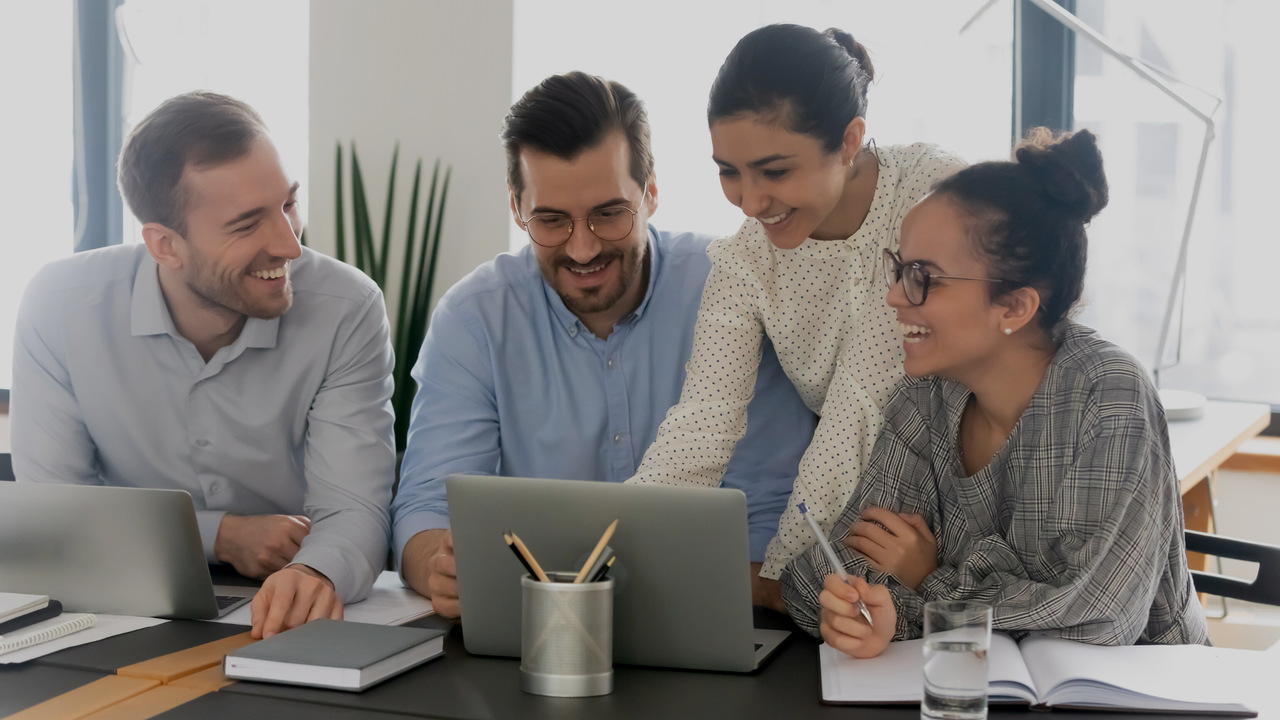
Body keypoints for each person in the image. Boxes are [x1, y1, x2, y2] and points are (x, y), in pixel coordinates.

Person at [391, 71, 817, 619]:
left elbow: (772, 511)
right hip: (537, 627)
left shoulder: (733, 288)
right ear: (517, 208)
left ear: (652, 193)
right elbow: (427, 506)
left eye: (608, 213)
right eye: (551, 220)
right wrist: (437, 566)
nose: (583, 247)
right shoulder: (473, 319)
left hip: (718, 614)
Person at [780, 128, 1211, 658]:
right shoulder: (925, 399)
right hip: (971, 690)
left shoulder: (1110, 396)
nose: (894, 296)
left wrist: (931, 581)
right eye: (898, 269)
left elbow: (1096, 621)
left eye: (923, 277)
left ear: (1014, 308)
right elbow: (813, 581)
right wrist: (865, 613)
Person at [11, 91, 396, 639]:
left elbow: (355, 507)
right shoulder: (61, 304)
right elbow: (61, 515)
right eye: (246, 225)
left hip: (283, 610)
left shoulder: (347, 308)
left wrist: (316, 569)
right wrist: (220, 535)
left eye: (288, 205)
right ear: (165, 245)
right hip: (118, 610)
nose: (289, 245)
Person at [628, 24, 965, 608]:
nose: (751, 202)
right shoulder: (744, 260)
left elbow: (856, 410)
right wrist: (614, 545)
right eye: (729, 172)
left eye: (775, 171)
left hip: (979, 491)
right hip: (881, 520)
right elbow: (700, 425)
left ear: (849, 139)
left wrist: (786, 576)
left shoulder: (931, 197)